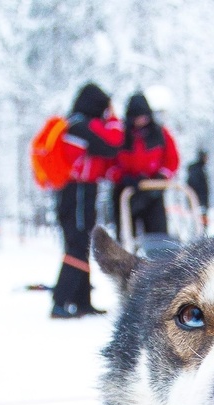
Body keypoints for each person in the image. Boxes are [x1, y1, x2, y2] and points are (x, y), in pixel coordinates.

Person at [51, 83, 122, 319]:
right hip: (77, 190)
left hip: (79, 190)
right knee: (78, 242)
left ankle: (82, 301)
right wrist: (112, 119)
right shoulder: (79, 125)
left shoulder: (76, 123)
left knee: (82, 242)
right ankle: (60, 301)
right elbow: (111, 145)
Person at [110, 92, 180, 244]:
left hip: (153, 191)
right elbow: (109, 163)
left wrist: (161, 177)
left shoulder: (160, 133)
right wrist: (123, 177)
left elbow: (172, 160)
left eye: (144, 116)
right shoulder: (121, 134)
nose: (141, 121)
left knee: (158, 239)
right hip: (126, 192)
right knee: (127, 238)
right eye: (137, 117)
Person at [186, 149, 210, 223]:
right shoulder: (196, 169)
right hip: (198, 200)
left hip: (200, 200)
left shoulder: (201, 168)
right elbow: (194, 184)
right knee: (198, 222)